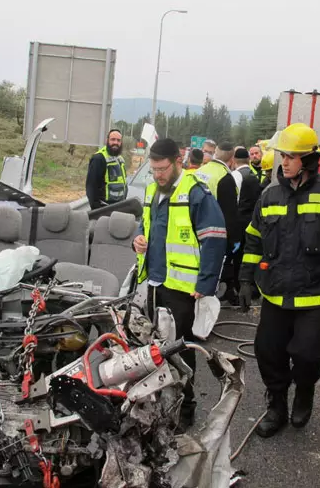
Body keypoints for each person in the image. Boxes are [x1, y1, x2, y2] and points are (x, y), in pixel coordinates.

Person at [238, 123, 320, 439]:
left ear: (309, 160)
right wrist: (245, 278)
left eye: (291, 157)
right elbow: (253, 239)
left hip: (314, 296)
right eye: (283, 156)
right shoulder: (269, 195)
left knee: (307, 356)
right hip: (275, 294)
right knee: (268, 351)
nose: (284, 162)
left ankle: (305, 392)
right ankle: (277, 406)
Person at [133, 138, 227, 431]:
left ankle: (186, 407)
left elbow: (214, 236)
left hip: (183, 289)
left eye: (162, 169)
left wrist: (207, 283)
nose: (158, 175)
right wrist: (137, 240)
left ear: (177, 161)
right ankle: (156, 402)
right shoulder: (151, 191)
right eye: (154, 170)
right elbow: (144, 227)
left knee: (181, 351)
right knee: (151, 346)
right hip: (154, 284)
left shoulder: (196, 193)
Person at [196, 142, 240, 303]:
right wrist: (232, 241)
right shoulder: (225, 178)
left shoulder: (200, 171)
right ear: (232, 158)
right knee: (210, 276)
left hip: (194, 232)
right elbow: (229, 214)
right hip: (214, 235)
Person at [232, 147, 263, 299]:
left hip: (239, 223)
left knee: (238, 258)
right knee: (250, 254)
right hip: (252, 222)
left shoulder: (236, 176)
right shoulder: (253, 176)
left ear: (234, 160)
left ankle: (239, 288)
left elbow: (234, 201)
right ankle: (252, 287)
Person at [85, 129, 127, 210]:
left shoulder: (120, 159)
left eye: (118, 140)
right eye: (113, 139)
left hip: (118, 208)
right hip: (103, 210)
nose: (116, 142)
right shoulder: (99, 158)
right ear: (107, 140)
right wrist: (97, 210)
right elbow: (91, 187)